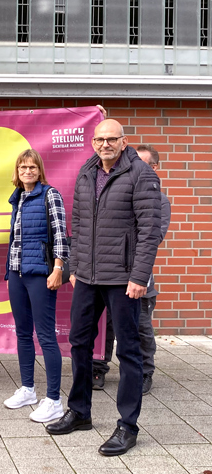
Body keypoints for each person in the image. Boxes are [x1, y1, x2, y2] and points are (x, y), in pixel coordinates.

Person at [46, 119, 161, 457]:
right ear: (93, 142)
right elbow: (79, 225)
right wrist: (75, 268)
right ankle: (80, 411)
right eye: (100, 139)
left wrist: (139, 277)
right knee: (80, 342)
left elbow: (149, 231)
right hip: (87, 278)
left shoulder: (141, 175)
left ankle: (127, 426)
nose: (105, 144)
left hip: (123, 279)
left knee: (128, 351)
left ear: (123, 142)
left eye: (112, 139)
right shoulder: (86, 172)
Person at [91, 145, 171, 394]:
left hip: (138, 276)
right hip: (110, 273)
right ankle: (98, 368)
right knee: (107, 325)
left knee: (142, 327)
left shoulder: (160, 201)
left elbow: (152, 237)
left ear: (154, 168)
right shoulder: (118, 191)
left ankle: (145, 372)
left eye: (143, 164)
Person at [3, 149, 68, 423]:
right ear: (17, 172)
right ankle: (28, 390)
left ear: (39, 170)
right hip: (16, 273)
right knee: (22, 333)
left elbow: (61, 233)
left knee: (46, 336)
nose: (27, 171)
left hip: (41, 274)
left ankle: (54, 400)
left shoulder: (49, 195)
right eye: (22, 167)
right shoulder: (17, 198)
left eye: (32, 167)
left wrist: (58, 268)